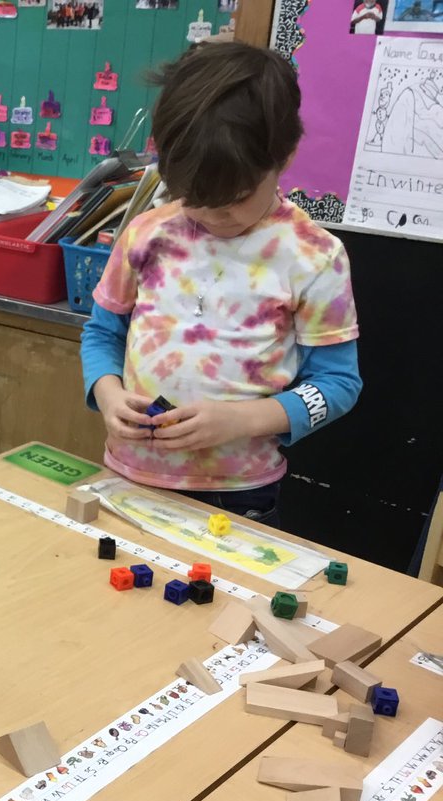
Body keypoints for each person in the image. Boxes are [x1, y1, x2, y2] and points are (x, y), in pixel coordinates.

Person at [80, 43, 361, 527]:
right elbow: (102, 333)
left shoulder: (314, 255)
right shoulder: (147, 233)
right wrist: (106, 392)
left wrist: (244, 421)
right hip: (128, 477)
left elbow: (337, 385)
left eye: (234, 199)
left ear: (286, 156)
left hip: (239, 496)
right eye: (193, 196)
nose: (213, 214)